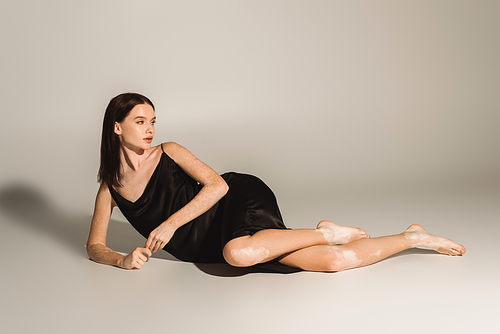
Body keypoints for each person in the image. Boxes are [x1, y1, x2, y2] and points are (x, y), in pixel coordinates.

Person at [86, 93, 466, 273]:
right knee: (332, 265)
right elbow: (94, 246)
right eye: (140, 122)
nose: (150, 129)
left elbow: (218, 186)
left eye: (152, 120)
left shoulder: (169, 151)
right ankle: (413, 237)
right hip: (212, 243)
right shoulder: (110, 189)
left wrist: (169, 223)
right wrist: (121, 259)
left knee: (239, 254)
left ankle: (327, 232)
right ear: (117, 128)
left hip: (236, 202)